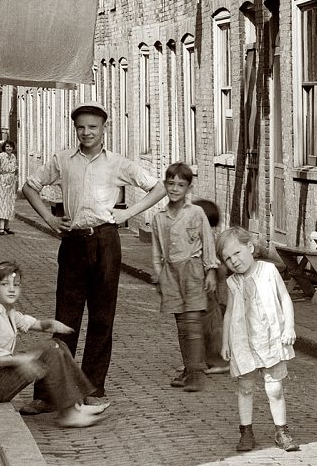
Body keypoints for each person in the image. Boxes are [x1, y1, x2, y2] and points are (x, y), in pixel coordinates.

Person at [22, 100, 166, 407]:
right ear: (75, 129)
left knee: (102, 319)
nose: (86, 133)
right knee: (65, 319)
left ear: (104, 128)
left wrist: (128, 214)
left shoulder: (118, 163)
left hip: (105, 241)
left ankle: (92, 390)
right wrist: (49, 219)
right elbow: (30, 186)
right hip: (73, 242)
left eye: (93, 127)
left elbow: (158, 187)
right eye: (81, 127)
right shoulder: (62, 159)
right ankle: (48, 394)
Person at [0, 262, 108, 428]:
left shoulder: (8, 312)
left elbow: (36, 324)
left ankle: (76, 405)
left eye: (16, 285)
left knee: (57, 344)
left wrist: (52, 324)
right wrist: (19, 360)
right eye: (4, 284)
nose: (12, 289)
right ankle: (69, 415)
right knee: (50, 350)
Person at [218, 226, 300, 453]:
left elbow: (285, 299)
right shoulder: (232, 283)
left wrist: (289, 327)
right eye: (227, 258)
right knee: (245, 387)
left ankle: (281, 431)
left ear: (250, 248)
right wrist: (225, 343)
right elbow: (228, 314)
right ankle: (246, 431)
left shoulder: (269, 271)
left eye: (236, 253)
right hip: (243, 341)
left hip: (270, 337)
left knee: (274, 388)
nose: (233, 261)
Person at [150, 162, 218, 393]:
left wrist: (210, 271)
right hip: (171, 273)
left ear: (188, 188)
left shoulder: (196, 213)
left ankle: (197, 373)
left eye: (181, 185)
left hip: (193, 271)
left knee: (192, 323)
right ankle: (189, 369)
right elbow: (157, 250)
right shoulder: (159, 218)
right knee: (181, 325)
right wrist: (158, 274)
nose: (175, 189)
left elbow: (208, 242)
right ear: (165, 185)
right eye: (171, 184)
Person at [194, 198, 230, 376]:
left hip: (209, 292)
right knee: (195, 325)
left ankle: (220, 360)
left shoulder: (209, 240)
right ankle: (195, 360)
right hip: (196, 289)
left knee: (212, 327)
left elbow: (219, 267)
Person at [0, 141, 19, 235]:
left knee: (10, 203)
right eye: (7, 147)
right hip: (3, 181)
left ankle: (6, 227)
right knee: (3, 203)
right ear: (4, 148)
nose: (9, 148)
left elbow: (15, 168)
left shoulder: (13, 156)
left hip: (11, 181)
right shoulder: (1, 155)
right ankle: (1, 227)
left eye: (10, 147)